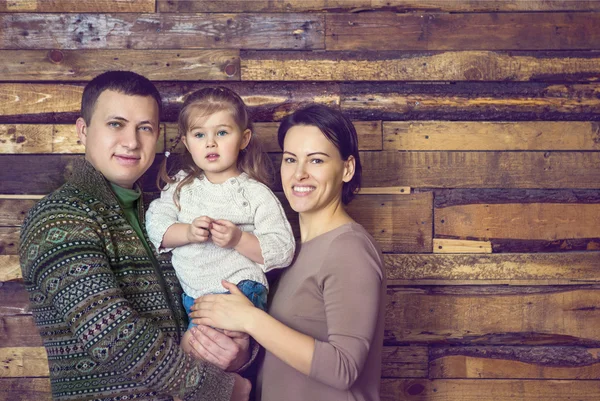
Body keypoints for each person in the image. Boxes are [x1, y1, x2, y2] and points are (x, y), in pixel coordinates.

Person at [19, 71, 253, 401]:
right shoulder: (59, 217)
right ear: (83, 131)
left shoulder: (161, 219)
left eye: (144, 128)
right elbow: (110, 333)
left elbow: (203, 302)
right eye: (116, 124)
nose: (132, 141)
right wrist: (222, 389)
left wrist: (239, 351)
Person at [191, 104, 387, 401]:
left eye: (316, 160)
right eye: (291, 159)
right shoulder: (289, 253)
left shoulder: (349, 247)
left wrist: (249, 319)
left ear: (346, 169)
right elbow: (285, 355)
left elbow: (343, 369)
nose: (300, 174)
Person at [145, 86, 295, 355]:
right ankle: (238, 389)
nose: (210, 143)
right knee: (199, 359)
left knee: (197, 353)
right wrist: (188, 233)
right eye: (199, 134)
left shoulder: (254, 193)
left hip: (239, 288)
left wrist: (239, 239)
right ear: (188, 142)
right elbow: (156, 226)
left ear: (244, 138)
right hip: (196, 295)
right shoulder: (179, 186)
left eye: (222, 133)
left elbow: (283, 249)